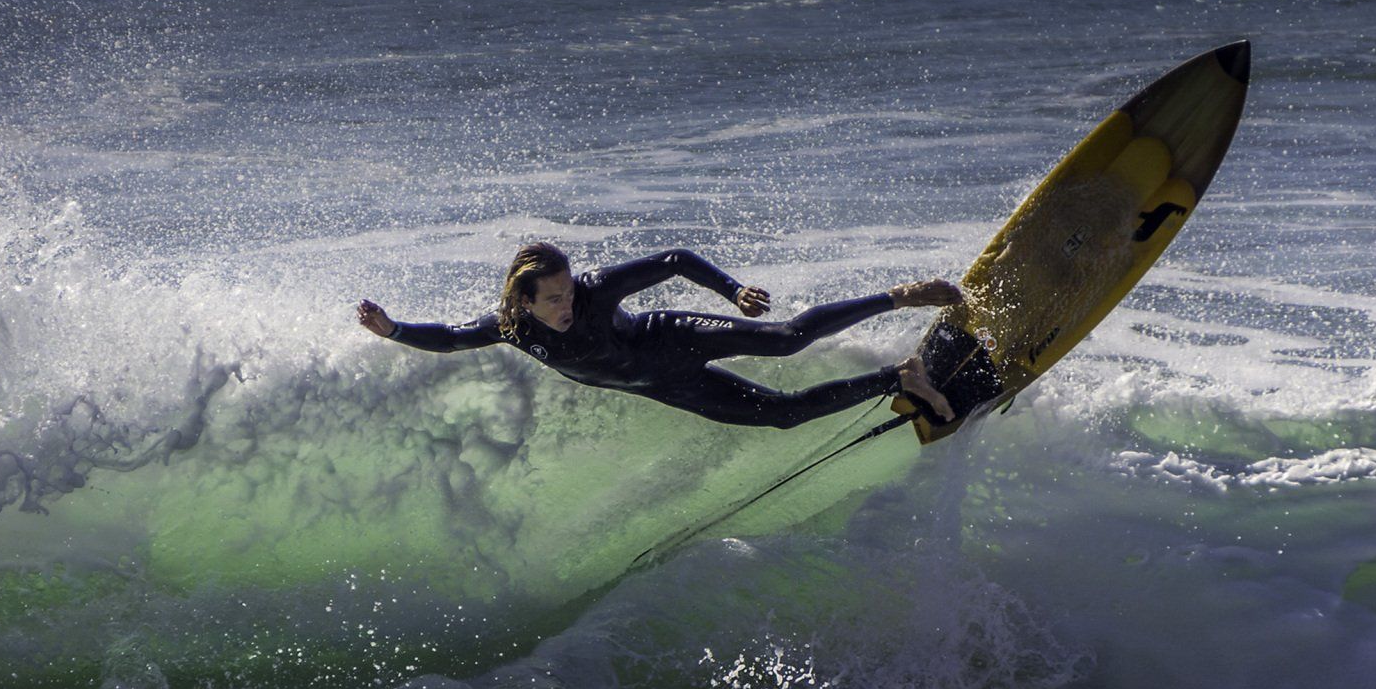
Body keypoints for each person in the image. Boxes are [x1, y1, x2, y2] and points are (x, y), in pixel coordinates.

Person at [357, 242, 960, 428]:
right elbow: (451, 338)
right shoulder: (509, 327)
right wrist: (394, 330)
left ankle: (899, 296)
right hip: (662, 385)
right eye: (554, 299)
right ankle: (900, 378)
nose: (568, 305)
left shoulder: (593, 290)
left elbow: (674, 259)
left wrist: (730, 292)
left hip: (671, 341)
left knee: (783, 339)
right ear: (524, 300)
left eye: (569, 292)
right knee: (784, 416)